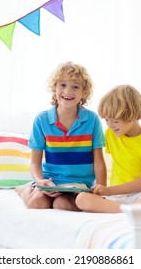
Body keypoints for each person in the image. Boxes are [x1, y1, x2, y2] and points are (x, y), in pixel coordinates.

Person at [16, 61, 107, 211]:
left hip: (79, 184)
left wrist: (101, 190)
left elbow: (99, 161)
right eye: (62, 85)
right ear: (54, 88)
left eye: (75, 87)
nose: (68, 92)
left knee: (61, 204)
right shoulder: (42, 120)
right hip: (51, 181)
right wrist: (40, 181)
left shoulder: (92, 120)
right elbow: (35, 163)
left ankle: (47, 194)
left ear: (84, 92)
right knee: (37, 203)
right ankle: (24, 189)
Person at [76, 84, 141, 213]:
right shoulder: (110, 135)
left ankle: (137, 208)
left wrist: (108, 190)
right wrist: (103, 190)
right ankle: (136, 210)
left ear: (133, 115)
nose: (110, 126)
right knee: (81, 199)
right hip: (117, 197)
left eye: (115, 121)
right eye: (107, 120)